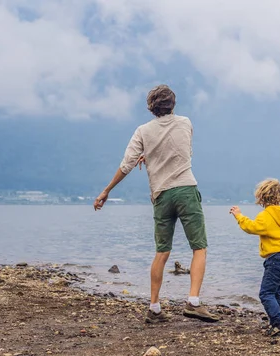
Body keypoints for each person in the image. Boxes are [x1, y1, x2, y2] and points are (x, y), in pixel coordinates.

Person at [94, 84, 219, 324]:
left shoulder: (142, 131)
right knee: (199, 248)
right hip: (185, 189)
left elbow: (126, 165)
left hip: (161, 195)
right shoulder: (185, 123)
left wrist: (106, 191)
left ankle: (154, 307)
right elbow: (183, 152)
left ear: (151, 107)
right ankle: (193, 302)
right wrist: (153, 154)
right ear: (173, 104)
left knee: (162, 252)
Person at [229, 179, 280, 336]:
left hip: (277, 258)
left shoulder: (266, 215)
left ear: (261, 197)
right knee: (276, 291)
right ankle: (276, 323)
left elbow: (253, 228)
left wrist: (239, 216)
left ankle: (279, 323)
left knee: (266, 293)